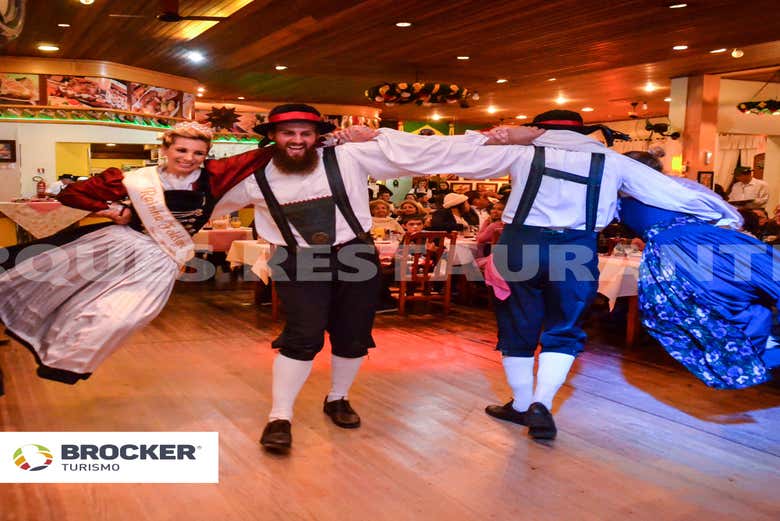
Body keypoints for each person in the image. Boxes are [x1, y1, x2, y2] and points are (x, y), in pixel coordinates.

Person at [211, 103, 546, 452]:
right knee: (302, 336)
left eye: (305, 133)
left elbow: (428, 151)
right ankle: (280, 416)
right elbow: (198, 202)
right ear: (273, 137)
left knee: (353, 333)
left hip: (355, 254)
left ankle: (338, 398)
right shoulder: (251, 178)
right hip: (298, 259)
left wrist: (497, 139)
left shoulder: (349, 156)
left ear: (317, 136)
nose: (297, 140)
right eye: (288, 133)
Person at [474, 110, 739, 440]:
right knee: (564, 326)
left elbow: (461, 155)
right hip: (574, 248)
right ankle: (540, 403)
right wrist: (725, 217)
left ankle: (522, 403)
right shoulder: (612, 160)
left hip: (522, 245)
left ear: (538, 129)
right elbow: (676, 195)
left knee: (518, 322)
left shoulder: (522, 151)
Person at [0, 122, 273, 385]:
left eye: (198, 152)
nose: (189, 158)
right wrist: (110, 210)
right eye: (181, 150)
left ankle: (67, 359)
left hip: (161, 257)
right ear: (166, 149)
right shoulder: (136, 179)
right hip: (120, 245)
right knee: (58, 288)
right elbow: (72, 194)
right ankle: (60, 357)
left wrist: (300, 143)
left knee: (124, 316)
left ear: (206, 155)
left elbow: (255, 158)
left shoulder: (212, 179)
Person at [620, 150, 779, 389]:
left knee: (701, 307)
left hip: (682, 247)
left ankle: (764, 344)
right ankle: (768, 339)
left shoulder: (620, 198)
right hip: (715, 240)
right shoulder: (676, 186)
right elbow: (732, 216)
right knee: (738, 293)